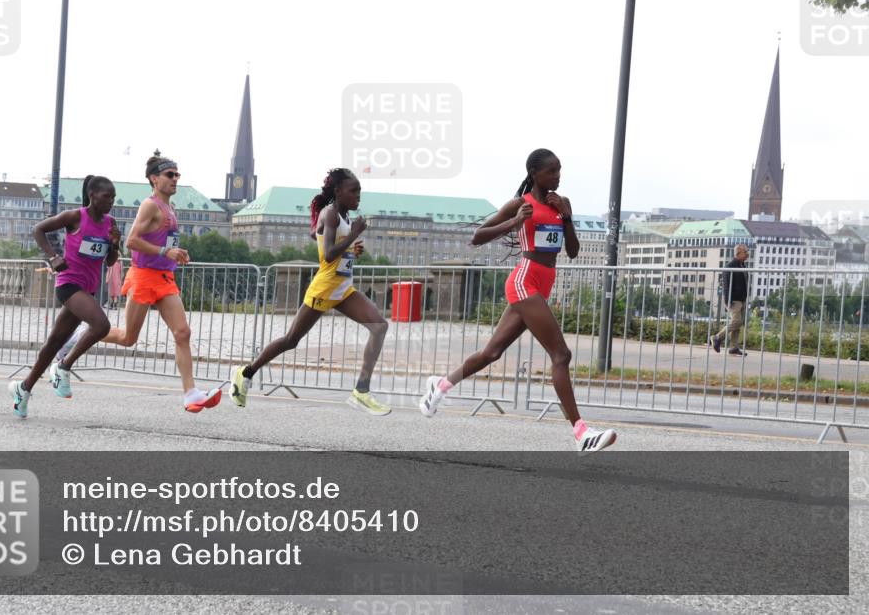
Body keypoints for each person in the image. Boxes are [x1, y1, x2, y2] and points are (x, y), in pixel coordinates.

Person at [418, 149, 618, 454]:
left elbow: (574, 251)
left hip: (542, 283)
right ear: (535, 173)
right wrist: (513, 223)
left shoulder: (561, 204)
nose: (558, 176)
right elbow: (478, 236)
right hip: (524, 281)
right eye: (552, 171)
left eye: (560, 171)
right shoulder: (520, 204)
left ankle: (440, 385)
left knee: (491, 352)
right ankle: (581, 433)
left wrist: (567, 218)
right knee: (561, 355)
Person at [230, 168, 391, 415]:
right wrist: (354, 236)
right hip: (325, 289)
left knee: (379, 326)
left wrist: (350, 249)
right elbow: (327, 254)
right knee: (291, 340)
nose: (358, 196)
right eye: (354, 191)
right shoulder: (331, 213)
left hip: (343, 288)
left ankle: (361, 390)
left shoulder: (344, 216)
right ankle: (246, 372)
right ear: (338, 192)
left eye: (360, 191)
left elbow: (325, 242)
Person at [98, 151, 220, 413]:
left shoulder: (170, 208)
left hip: (165, 279)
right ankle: (81, 335)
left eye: (177, 175)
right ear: (155, 179)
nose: (175, 179)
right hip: (143, 276)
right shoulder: (150, 205)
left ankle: (190, 393)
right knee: (128, 338)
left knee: (183, 333)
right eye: (170, 175)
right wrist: (166, 252)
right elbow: (131, 241)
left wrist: (177, 252)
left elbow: (162, 242)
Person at [8, 175, 120, 419]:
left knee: (54, 342)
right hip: (69, 284)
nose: (110, 202)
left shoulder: (110, 223)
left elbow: (109, 261)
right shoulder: (75, 217)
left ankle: (23, 389)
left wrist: (114, 244)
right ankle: (64, 366)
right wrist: (52, 256)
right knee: (101, 325)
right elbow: (38, 229)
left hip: (88, 289)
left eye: (113, 198)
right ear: (92, 195)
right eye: (106, 197)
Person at [711, 243, 750, 356]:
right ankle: (717, 337)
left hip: (741, 299)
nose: (748, 254)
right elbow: (726, 284)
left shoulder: (742, 265)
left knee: (738, 324)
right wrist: (728, 300)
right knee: (736, 321)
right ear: (738, 253)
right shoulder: (730, 266)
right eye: (745, 252)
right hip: (734, 300)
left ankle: (734, 347)